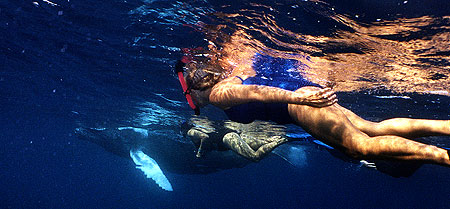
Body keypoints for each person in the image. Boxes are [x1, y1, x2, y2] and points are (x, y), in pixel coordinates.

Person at [175, 49, 450, 167]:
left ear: (195, 90)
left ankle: (444, 157)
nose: (192, 103)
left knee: (361, 147)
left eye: (189, 96)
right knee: (372, 129)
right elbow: (249, 81)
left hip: (301, 106)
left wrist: (300, 100)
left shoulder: (218, 95)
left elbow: (256, 92)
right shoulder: (228, 79)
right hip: (303, 99)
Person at [182, 116, 289, 161]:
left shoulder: (190, 132)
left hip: (227, 138)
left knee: (255, 157)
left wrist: (200, 152)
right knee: (261, 144)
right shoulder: (201, 129)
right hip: (231, 135)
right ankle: (281, 138)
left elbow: (204, 137)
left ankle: (282, 140)